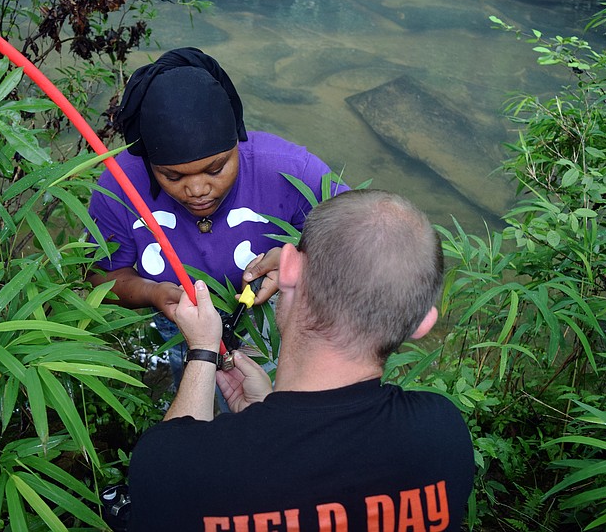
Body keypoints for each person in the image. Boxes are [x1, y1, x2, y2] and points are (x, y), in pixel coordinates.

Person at [126, 189, 475, 531]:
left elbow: (166, 472)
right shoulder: (442, 439)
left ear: (289, 266)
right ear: (422, 324)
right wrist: (264, 411)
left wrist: (202, 352)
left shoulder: (173, 468)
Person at [88, 47, 346, 388]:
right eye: (172, 177)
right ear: (149, 162)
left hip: (272, 315)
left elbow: (362, 240)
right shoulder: (119, 187)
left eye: (216, 168)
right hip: (179, 322)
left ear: (237, 140)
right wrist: (152, 294)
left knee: (279, 394)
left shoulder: (288, 170)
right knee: (199, 395)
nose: (197, 190)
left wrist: (298, 260)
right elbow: (103, 277)